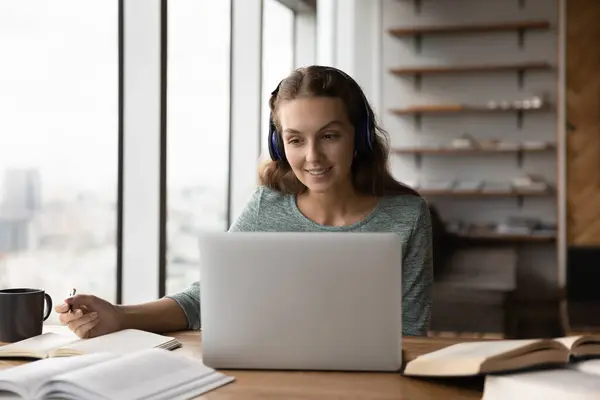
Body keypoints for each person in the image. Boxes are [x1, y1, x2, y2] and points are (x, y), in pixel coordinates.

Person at [55, 65, 433, 338]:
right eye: (296, 139)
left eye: (329, 136)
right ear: (279, 145)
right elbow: (206, 298)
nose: (313, 156)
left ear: (361, 138)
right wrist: (120, 315)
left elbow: (411, 331)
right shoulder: (266, 207)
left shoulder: (408, 216)